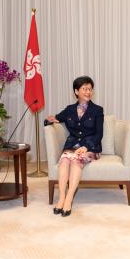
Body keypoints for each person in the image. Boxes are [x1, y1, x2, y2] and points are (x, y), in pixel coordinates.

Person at [46, 76, 104, 217]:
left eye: (90, 89)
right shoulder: (70, 110)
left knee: (76, 160)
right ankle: (61, 197)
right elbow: (55, 118)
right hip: (71, 146)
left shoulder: (97, 110)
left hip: (90, 148)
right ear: (76, 91)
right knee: (65, 160)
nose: (88, 92)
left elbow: (99, 134)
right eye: (84, 89)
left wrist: (87, 146)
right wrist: (49, 121)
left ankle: (69, 198)